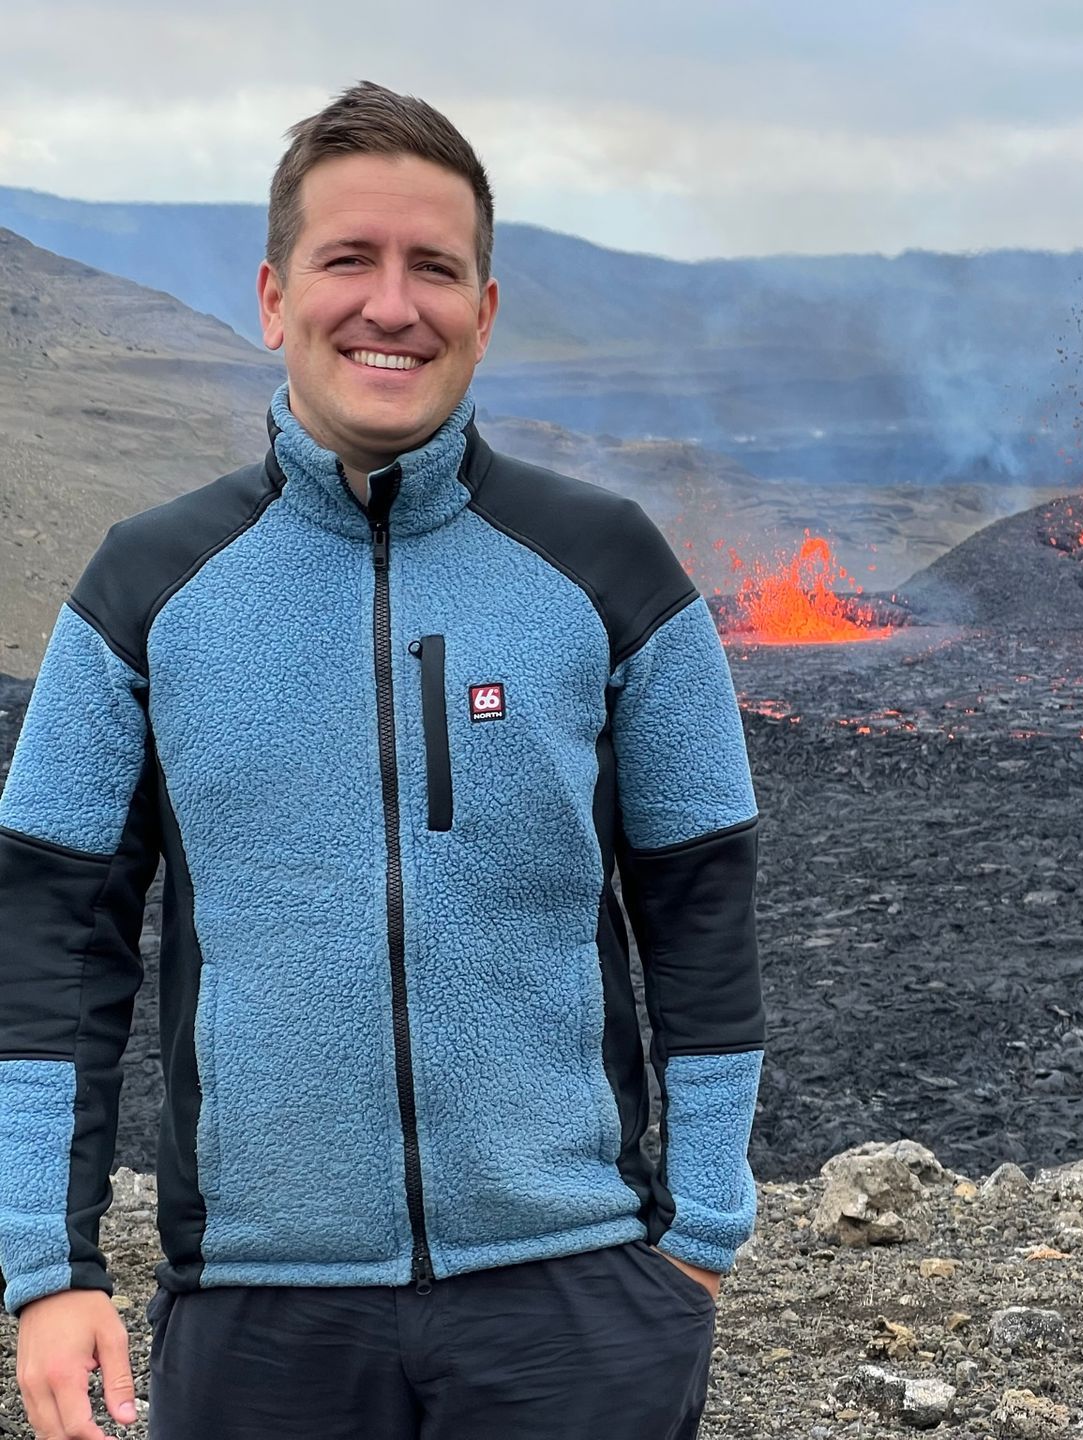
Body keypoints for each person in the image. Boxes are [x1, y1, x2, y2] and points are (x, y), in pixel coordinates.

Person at [0, 80, 764, 1439]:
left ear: (486, 307)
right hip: (255, 1313)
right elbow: (49, 939)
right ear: (275, 297)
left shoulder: (611, 569)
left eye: (436, 268)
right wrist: (49, 1268)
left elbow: (702, 905)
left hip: (577, 1303)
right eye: (348, 259)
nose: (392, 306)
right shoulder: (146, 587)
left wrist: (696, 1240)